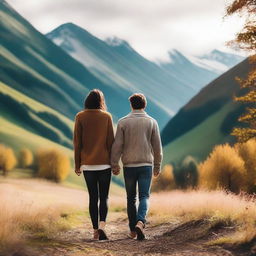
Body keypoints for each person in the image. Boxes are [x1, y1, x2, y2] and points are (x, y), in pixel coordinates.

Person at [111, 93, 163, 240]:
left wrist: (114, 164)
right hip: (146, 165)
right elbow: (157, 148)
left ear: (131, 105)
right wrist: (157, 166)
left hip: (129, 166)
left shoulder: (123, 122)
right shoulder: (152, 122)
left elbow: (117, 145)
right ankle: (140, 222)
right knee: (144, 196)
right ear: (144, 105)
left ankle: (132, 231)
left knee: (130, 198)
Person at [73, 89, 114, 240]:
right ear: (101, 102)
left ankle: (96, 231)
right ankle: (103, 225)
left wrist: (77, 164)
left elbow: (78, 143)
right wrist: (114, 163)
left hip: (88, 165)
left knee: (93, 197)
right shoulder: (107, 117)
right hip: (105, 164)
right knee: (104, 197)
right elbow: (111, 143)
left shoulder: (80, 116)